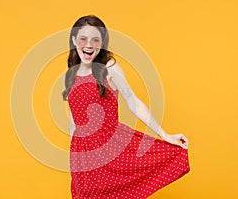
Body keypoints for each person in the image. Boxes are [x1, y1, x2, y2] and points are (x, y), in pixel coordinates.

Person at [62, 15, 190, 199]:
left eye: (95, 39)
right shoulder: (70, 75)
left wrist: (165, 135)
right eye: (83, 38)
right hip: (82, 158)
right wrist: (74, 160)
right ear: (74, 40)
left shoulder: (109, 68)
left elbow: (133, 102)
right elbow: (74, 121)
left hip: (111, 149)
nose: (89, 44)